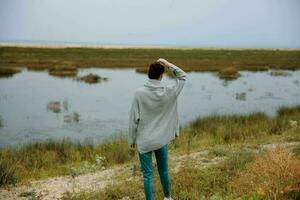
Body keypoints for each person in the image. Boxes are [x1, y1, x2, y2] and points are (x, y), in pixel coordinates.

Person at [128, 58, 187, 200]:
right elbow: (183, 76)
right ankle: (168, 198)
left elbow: (133, 119)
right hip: (161, 140)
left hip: (145, 141)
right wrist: (168, 64)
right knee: (164, 171)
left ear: (148, 73)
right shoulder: (170, 91)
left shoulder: (139, 93)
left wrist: (132, 140)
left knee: (148, 175)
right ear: (161, 75)